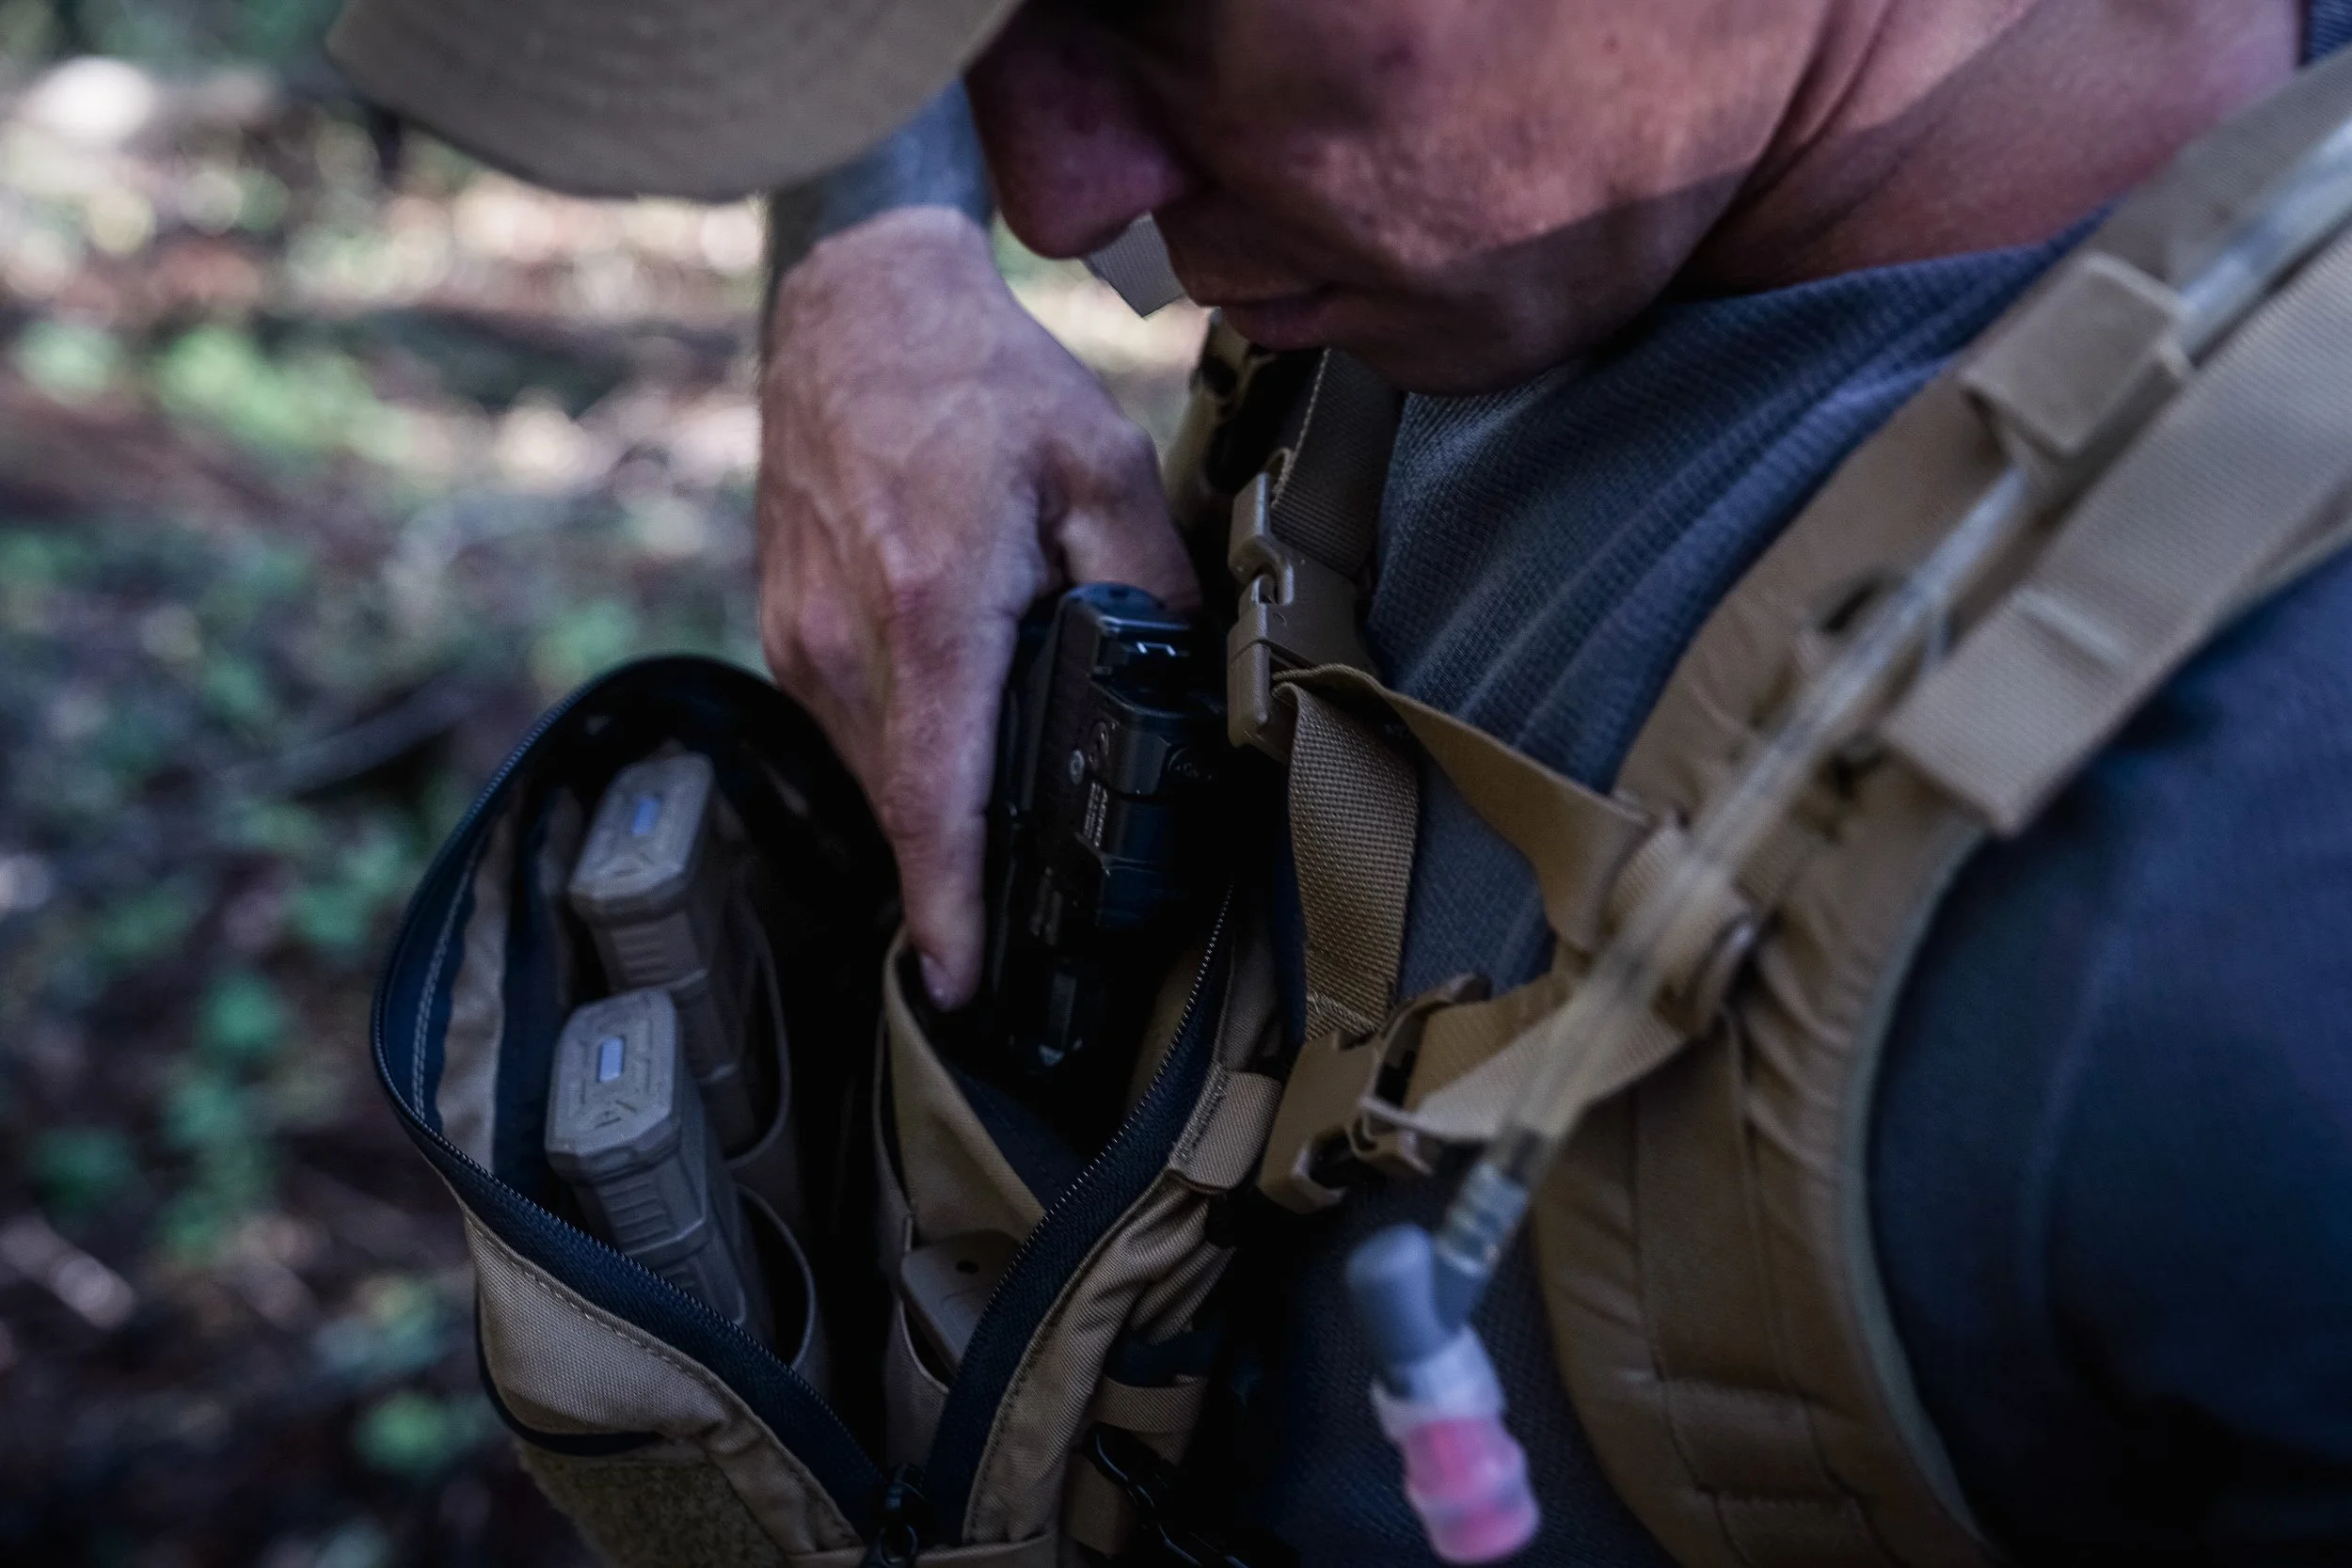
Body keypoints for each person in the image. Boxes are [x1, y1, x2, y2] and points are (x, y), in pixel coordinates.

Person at [327, 1, 2352, 1561]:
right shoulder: (1557, 193)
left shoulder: (2240, 941)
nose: (1060, 198)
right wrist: (878, 249)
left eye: (1152, 6)